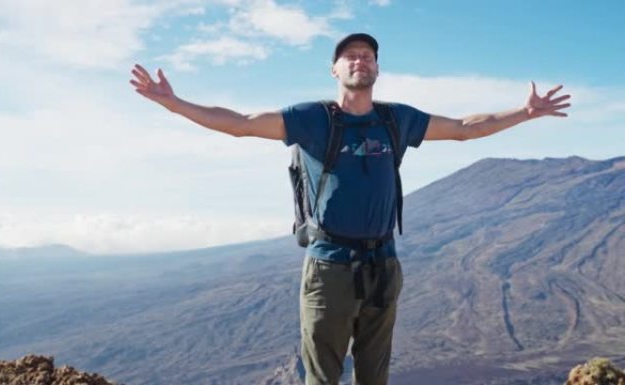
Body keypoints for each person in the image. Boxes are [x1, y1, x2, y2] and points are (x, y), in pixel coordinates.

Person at [130, 33, 571, 385]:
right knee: (322, 377)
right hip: (329, 269)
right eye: (350, 56)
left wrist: (524, 113)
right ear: (335, 69)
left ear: (377, 68)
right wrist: (175, 103)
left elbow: (463, 129)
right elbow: (241, 125)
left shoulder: (396, 119)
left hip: (384, 263)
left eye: (368, 55)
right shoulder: (312, 118)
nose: (360, 60)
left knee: (374, 375)